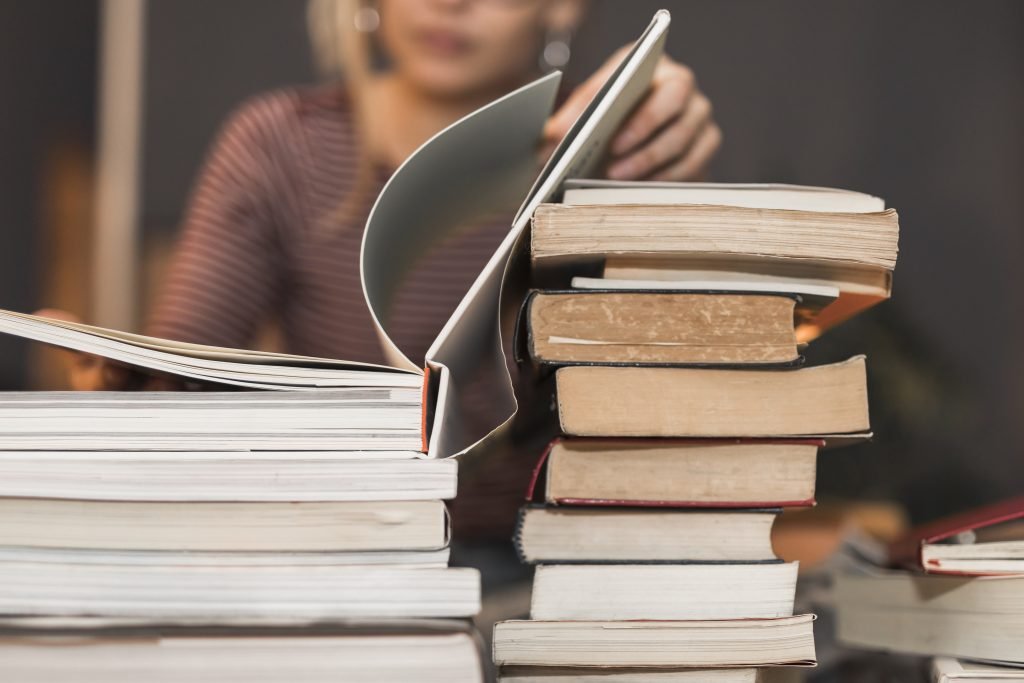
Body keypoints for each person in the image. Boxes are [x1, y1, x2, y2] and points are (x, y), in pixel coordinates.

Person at [50, 0, 721, 538]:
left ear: (562, 6)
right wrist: (120, 380)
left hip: (554, 561)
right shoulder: (281, 146)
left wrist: (659, 190)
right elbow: (185, 371)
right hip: (342, 551)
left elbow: (672, 418)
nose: (449, 5)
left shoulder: (621, 151)